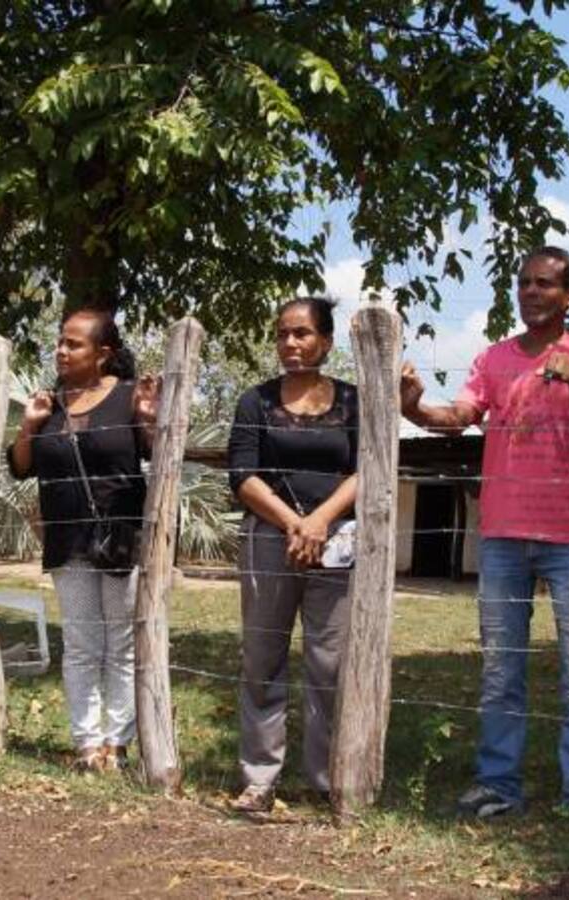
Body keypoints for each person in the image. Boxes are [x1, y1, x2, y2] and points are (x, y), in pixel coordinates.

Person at [401, 247, 569, 825]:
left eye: (544, 284)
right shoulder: (494, 359)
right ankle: (498, 782)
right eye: (523, 283)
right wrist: (417, 408)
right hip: (501, 534)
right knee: (501, 667)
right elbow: (462, 412)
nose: (530, 292)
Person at [8, 307, 158, 772]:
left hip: (120, 540)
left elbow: (155, 452)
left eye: (73, 344)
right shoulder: (49, 404)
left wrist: (150, 419)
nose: (61, 350)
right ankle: (87, 743)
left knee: (121, 643)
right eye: (60, 341)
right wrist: (30, 425)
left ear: (103, 353)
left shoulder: (130, 397)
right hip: (67, 540)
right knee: (80, 643)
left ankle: (118, 741)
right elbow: (20, 466)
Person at [226, 296, 359, 813]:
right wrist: (293, 523)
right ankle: (259, 778)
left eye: (302, 334)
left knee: (331, 662)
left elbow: (366, 467)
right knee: (262, 658)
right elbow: (243, 474)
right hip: (268, 538)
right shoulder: (255, 401)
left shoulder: (353, 401)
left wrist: (322, 520)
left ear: (326, 341)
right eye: (283, 334)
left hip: (338, 541)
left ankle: (328, 778)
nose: (291, 344)